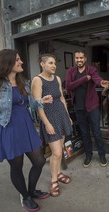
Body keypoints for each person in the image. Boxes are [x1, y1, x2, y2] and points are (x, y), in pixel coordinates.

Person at [0, 49, 53, 212]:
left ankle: (31, 191)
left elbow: (30, 104)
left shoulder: (23, 82)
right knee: (17, 167)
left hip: (27, 127)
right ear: (8, 62)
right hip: (8, 128)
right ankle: (25, 196)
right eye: (18, 59)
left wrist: (40, 101)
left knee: (39, 161)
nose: (21, 62)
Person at [31, 54, 73, 197]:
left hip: (61, 116)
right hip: (49, 118)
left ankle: (59, 173)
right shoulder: (37, 80)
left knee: (60, 150)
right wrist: (46, 123)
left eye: (54, 63)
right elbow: (38, 105)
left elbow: (61, 98)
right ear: (42, 64)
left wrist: (67, 115)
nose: (54, 65)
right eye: (50, 63)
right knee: (56, 153)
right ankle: (54, 182)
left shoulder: (57, 79)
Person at [65, 50, 109, 168]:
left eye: (81, 58)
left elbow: (96, 78)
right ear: (75, 59)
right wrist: (84, 78)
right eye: (77, 58)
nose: (79, 60)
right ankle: (88, 155)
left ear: (85, 59)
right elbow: (69, 86)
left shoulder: (91, 70)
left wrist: (102, 82)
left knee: (96, 132)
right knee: (84, 133)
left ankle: (102, 155)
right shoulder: (71, 71)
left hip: (92, 107)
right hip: (78, 108)